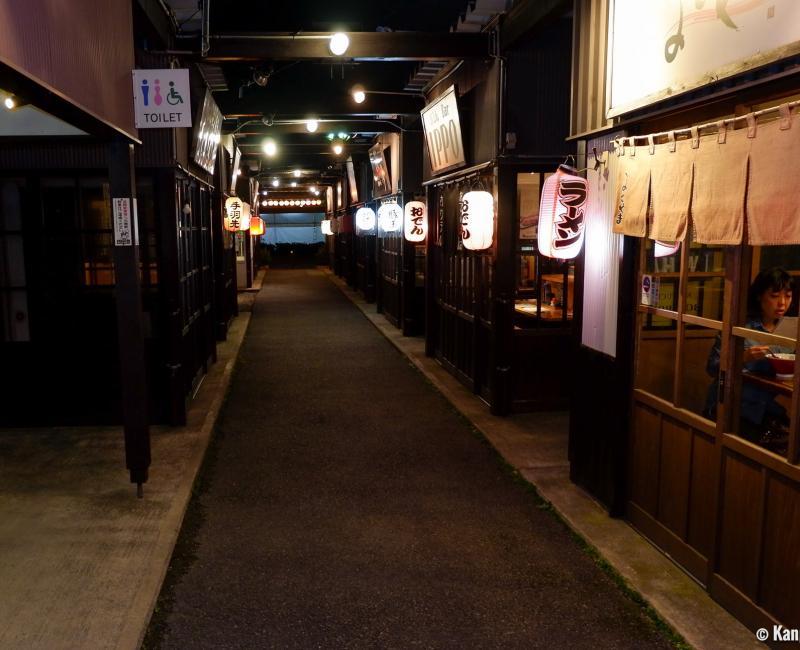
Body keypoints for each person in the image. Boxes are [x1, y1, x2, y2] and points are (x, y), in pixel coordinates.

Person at [705, 267, 794, 443]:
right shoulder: (740, 327)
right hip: (733, 407)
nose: (782, 303)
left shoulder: (791, 331)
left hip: (769, 410)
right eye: (775, 296)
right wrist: (743, 357)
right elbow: (712, 368)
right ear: (759, 296)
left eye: (788, 296)